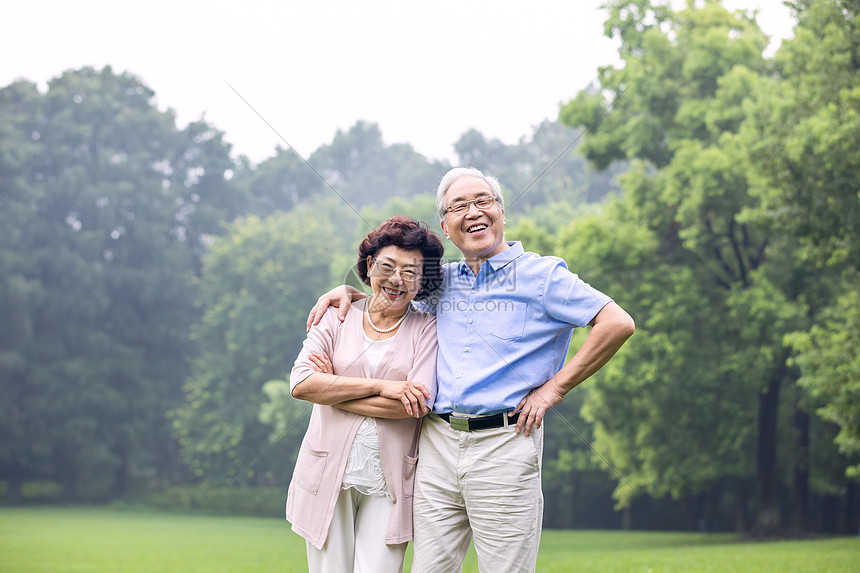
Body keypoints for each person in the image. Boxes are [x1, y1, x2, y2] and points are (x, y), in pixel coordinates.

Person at [307, 167, 635, 573]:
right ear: (446, 227)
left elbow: (617, 323)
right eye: (459, 206)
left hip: (505, 443)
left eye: (483, 201)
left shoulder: (542, 275)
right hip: (435, 446)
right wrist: (349, 292)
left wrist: (554, 390)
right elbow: (394, 293)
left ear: (501, 211)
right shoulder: (439, 281)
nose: (473, 211)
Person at [286, 216, 444, 573]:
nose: (397, 280)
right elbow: (301, 384)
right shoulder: (335, 317)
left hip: (389, 481)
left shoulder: (426, 328)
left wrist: (330, 388)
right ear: (370, 265)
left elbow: (414, 405)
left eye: (411, 271)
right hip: (327, 472)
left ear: (423, 280)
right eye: (387, 266)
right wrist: (382, 387)